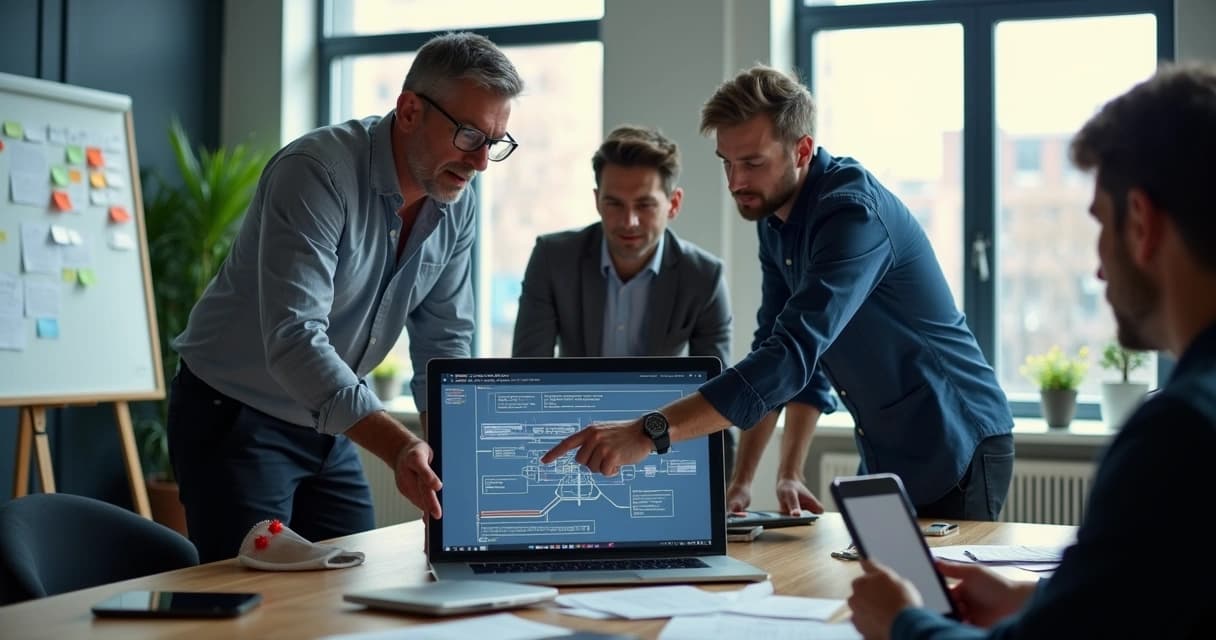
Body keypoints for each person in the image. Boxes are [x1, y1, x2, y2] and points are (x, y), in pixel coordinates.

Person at [542, 65, 1014, 523]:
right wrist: (745, 482)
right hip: (888, 447)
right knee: (886, 588)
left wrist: (649, 432)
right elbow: (778, 349)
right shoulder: (776, 222)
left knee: (947, 598)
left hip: (959, 441)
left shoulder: (852, 215)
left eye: (752, 163)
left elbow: (791, 356)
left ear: (802, 149)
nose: (735, 182)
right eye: (727, 162)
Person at [846, 62, 1216, 640]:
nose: (1097, 266)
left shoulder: (1180, 433)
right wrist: (1038, 601)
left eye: (1099, 225)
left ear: (1141, 223)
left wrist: (902, 623)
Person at [166, 32, 523, 562]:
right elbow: (294, 338)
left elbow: (443, 337)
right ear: (408, 111)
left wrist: (452, 457)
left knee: (352, 581)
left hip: (327, 423)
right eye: (470, 135)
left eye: (495, 142)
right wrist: (400, 445)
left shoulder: (457, 198)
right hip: (236, 414)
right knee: (253, 602)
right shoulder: (316, 172)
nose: (481, 163)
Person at [511, 125, 736, 473]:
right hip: (571, 444)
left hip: (659, 445)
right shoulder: (553, 259)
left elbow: (717, 398)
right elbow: (528, 378)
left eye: (645, 205)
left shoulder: (704, 277)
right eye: (614, 203)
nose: (629, 221)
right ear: (597, 200)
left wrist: (726, 492)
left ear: (673, 204)